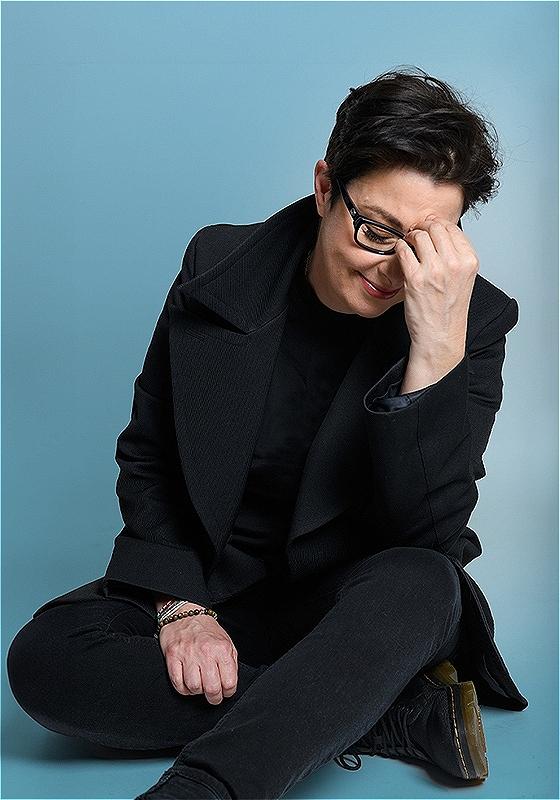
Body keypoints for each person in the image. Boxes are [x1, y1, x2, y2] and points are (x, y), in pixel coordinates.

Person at [7, 66, 528, 800]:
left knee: (425, 581)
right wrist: (181, 608)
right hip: (219, 590)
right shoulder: (219, 267)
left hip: (361, 614)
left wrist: (436, 349)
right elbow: (150, 455)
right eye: (376, 230)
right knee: (46, 661)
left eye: (426, 243)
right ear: (324, 187)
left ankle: (209, 786)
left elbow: (430, 532)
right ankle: (372, 714)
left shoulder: (472, 322)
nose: (394, 270)